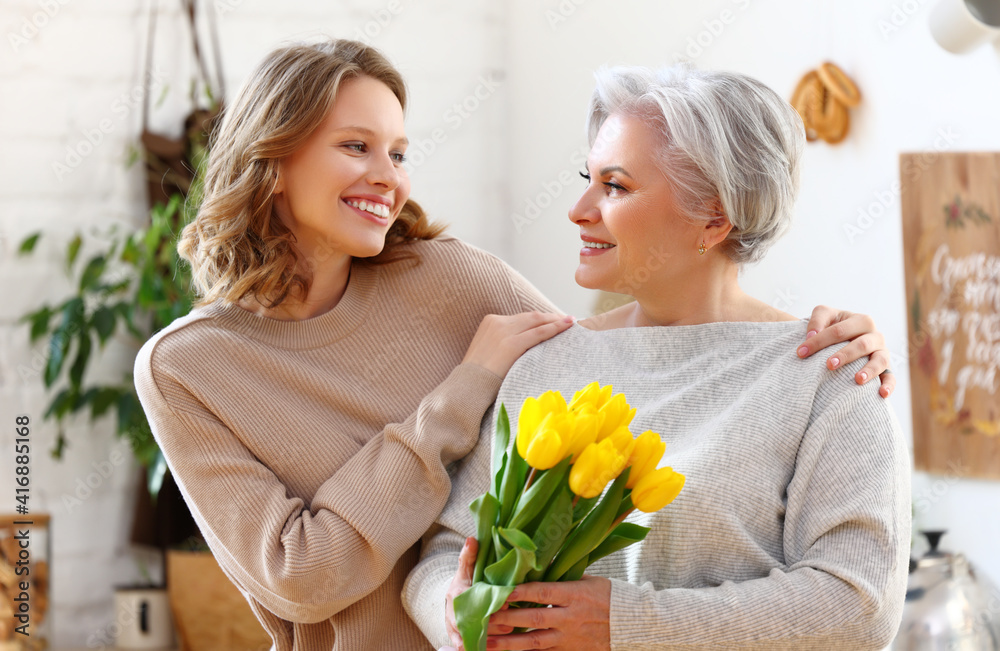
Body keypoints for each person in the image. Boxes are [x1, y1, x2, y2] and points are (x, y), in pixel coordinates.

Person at [133, 40, 897, 651]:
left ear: (715, 217)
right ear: (273, 159)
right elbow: (312, 574)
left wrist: (840, 347)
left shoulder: (452, 279)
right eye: (356, 145)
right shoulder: (189, 368)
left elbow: (618, 364)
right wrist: (454, 410)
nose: (387, 177)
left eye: (397, 152)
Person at [402, 64, 910, 651]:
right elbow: (445, 551)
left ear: (715, 217)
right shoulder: (544, 364)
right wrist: (457, 609)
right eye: (586, 178)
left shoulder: (830, 373)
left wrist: (625, 624)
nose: (578, 208)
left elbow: (857, 605)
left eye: (615, 186)